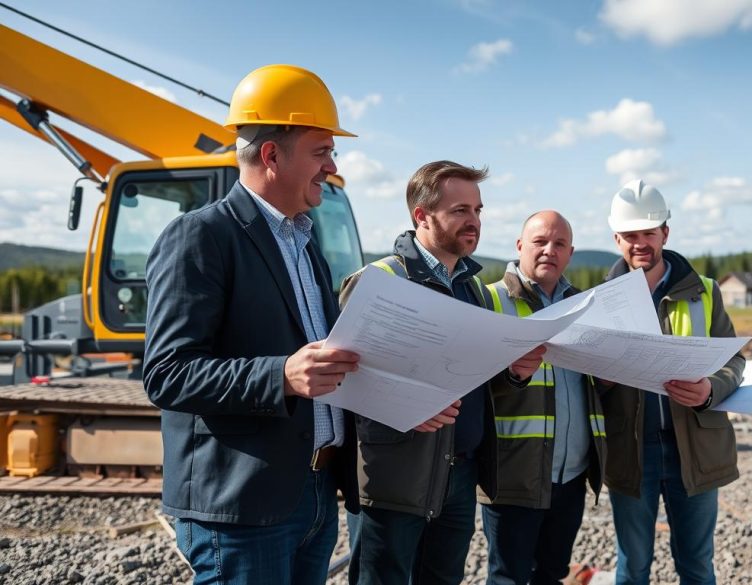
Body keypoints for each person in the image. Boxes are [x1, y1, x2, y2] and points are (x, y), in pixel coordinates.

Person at [144, 64, 361, 585]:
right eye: (321, 151)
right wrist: (281, 375)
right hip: (242, 508)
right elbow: (168, 373)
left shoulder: (306, 245)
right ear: (271, 155)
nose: (331, 166)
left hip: (310, 492)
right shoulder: (200, 237)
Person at [338, 160, 546, 585]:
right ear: (422, 216)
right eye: (460, 211)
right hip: (394, 477)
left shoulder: (471, 289)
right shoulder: (376, 282)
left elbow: (473, 377)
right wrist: (406, 406)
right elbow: (342, 379)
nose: (474, 222)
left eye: (478, 211)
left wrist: (513, 373)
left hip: (459, 472)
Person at [600, 179, 745, 585]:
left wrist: (710, 390)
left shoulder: (706, 293)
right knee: (632, 568)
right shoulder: (600, 300)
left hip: (694, 447)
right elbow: (587, 376)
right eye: (631, 235)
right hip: (632, 452)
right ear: (617, 239)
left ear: (666, 231)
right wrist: (602, 380)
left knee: (697, 566)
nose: (640, 242)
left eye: (649, 232)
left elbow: (734, 360)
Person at [479, 210, 607, 585]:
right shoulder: (488, 302)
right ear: (520, 246)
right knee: (509, 578)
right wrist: (512, 374)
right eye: (539, 241)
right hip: (513, 475)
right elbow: (467, 383)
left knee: (552, 575)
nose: (549, 250)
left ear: (570, 253)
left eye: (560, 244)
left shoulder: (585, 307)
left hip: (571, 475)